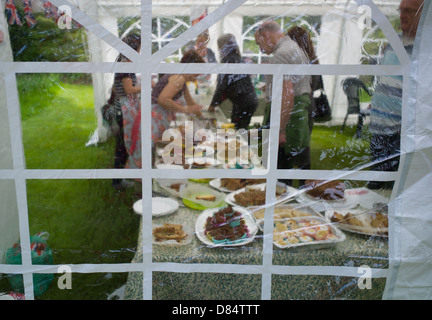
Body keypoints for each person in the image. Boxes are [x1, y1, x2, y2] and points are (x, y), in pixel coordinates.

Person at [367, 0, 424, 189]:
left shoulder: (425, 49)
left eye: (409, 11)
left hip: (401, 134)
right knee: (377, 186)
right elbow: (387, 77)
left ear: (424, 14)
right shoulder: (394, 43)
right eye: (401, 10)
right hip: (379, 129)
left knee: (395, 189)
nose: (402, 15)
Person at [254, 21, 312, 184]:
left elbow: (288, 93)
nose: (261, 49)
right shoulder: (294, 47)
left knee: (279, 169)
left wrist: (280, 129)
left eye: (260, 43)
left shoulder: (281, 54)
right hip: (298, 114)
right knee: (298, 162)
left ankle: (279, 204)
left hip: (288, 117)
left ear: (266, 35)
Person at [151, 49, 205, 149]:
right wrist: (185, 110)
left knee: (155, 148)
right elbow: (163, 100)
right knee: (149, 151)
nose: (200, 74)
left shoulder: (182, 79)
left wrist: (204, 119)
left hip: (157, 117)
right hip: (153, 118)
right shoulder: (179, 79)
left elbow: (191, 103)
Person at [208, 33, 258, 130]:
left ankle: (239, 144)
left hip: (243, 102)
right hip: (248, 100)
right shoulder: (238, 58)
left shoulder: (228, 61)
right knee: (238, 127)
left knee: (237, 129)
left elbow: (221, 87)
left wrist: (212, 106)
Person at [111, 34, 141, 188]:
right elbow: (129, 89)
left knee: (122, 145)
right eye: (139, 48)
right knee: (122, 146)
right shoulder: (126, 66)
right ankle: (117, 181)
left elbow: (118, 88)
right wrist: (145, 86)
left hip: (122, 110)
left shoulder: (125, 63)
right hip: (122, 112)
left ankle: (119, 178)